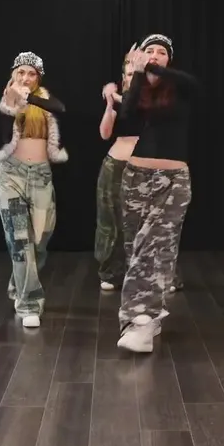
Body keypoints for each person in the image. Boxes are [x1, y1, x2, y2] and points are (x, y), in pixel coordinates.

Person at [116, 34, 198, 353]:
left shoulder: (180, 86)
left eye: (161, 52)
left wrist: (153, 69)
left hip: (173, 180)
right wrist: (137, 75)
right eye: (148, 50)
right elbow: (127, 120)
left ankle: (140, 323)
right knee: (136, 249)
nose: (154, 55)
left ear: (169, 59)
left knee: (154, 247)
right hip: (136, 177)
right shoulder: (139, 88)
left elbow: (193, 83)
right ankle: (149, 314)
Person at [0, 52, 67, 329]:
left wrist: (31, 99)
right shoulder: (6, 100)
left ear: (38, 78)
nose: (26, 78)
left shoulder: (45, 100)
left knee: (41, 239)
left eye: (32, 73)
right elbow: (3, 136)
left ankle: (19, 282)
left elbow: (61, 108)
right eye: (21, 72)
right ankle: (29, 303)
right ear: (14, 74)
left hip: (40, 177)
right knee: (20, 241)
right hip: (11, 176)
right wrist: (14, 104)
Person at [95, 53, 142, 291]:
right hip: (115, 165)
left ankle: (148, 273)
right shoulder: (118, 100)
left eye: (138, 73)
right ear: (124, 78)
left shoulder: (152, 100)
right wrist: (110, 104)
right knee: (110, 221)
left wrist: (116, 96)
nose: (134, 78)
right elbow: (105, 134)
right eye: (130, 74)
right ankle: (109, 271)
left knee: (145, 222)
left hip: (144, 167)